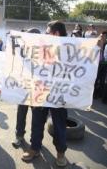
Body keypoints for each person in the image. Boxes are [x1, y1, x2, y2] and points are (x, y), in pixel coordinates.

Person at [22, 21, 68, 167]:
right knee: (36, 122)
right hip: (40, 91)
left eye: (48, 32)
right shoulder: (41, 47)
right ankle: (34, 148)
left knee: (59, 124)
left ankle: (61, 153)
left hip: (59, 94)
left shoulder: (70, 48)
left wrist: (97, 46)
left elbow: (86, 59)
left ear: (56, 33)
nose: (45, 34)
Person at [12, 28, 41, 148]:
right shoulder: (22, 50)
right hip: (24, 87)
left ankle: (36, 142)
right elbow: (11, 58)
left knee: (37, 118)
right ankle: (19, 136)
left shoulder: (44, 51)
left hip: (38, 90)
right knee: (21, 114)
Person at [93, 31, 107, 99]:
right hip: (97, 63)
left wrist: (102, 47)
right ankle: (94, 93)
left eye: (104, 36)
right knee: (96, 78)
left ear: (106, 37)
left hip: (104, 64)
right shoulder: (97, 42)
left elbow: (105, 55)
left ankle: (100, 93)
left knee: (102, 79)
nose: (102, 37)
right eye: (101, 36)